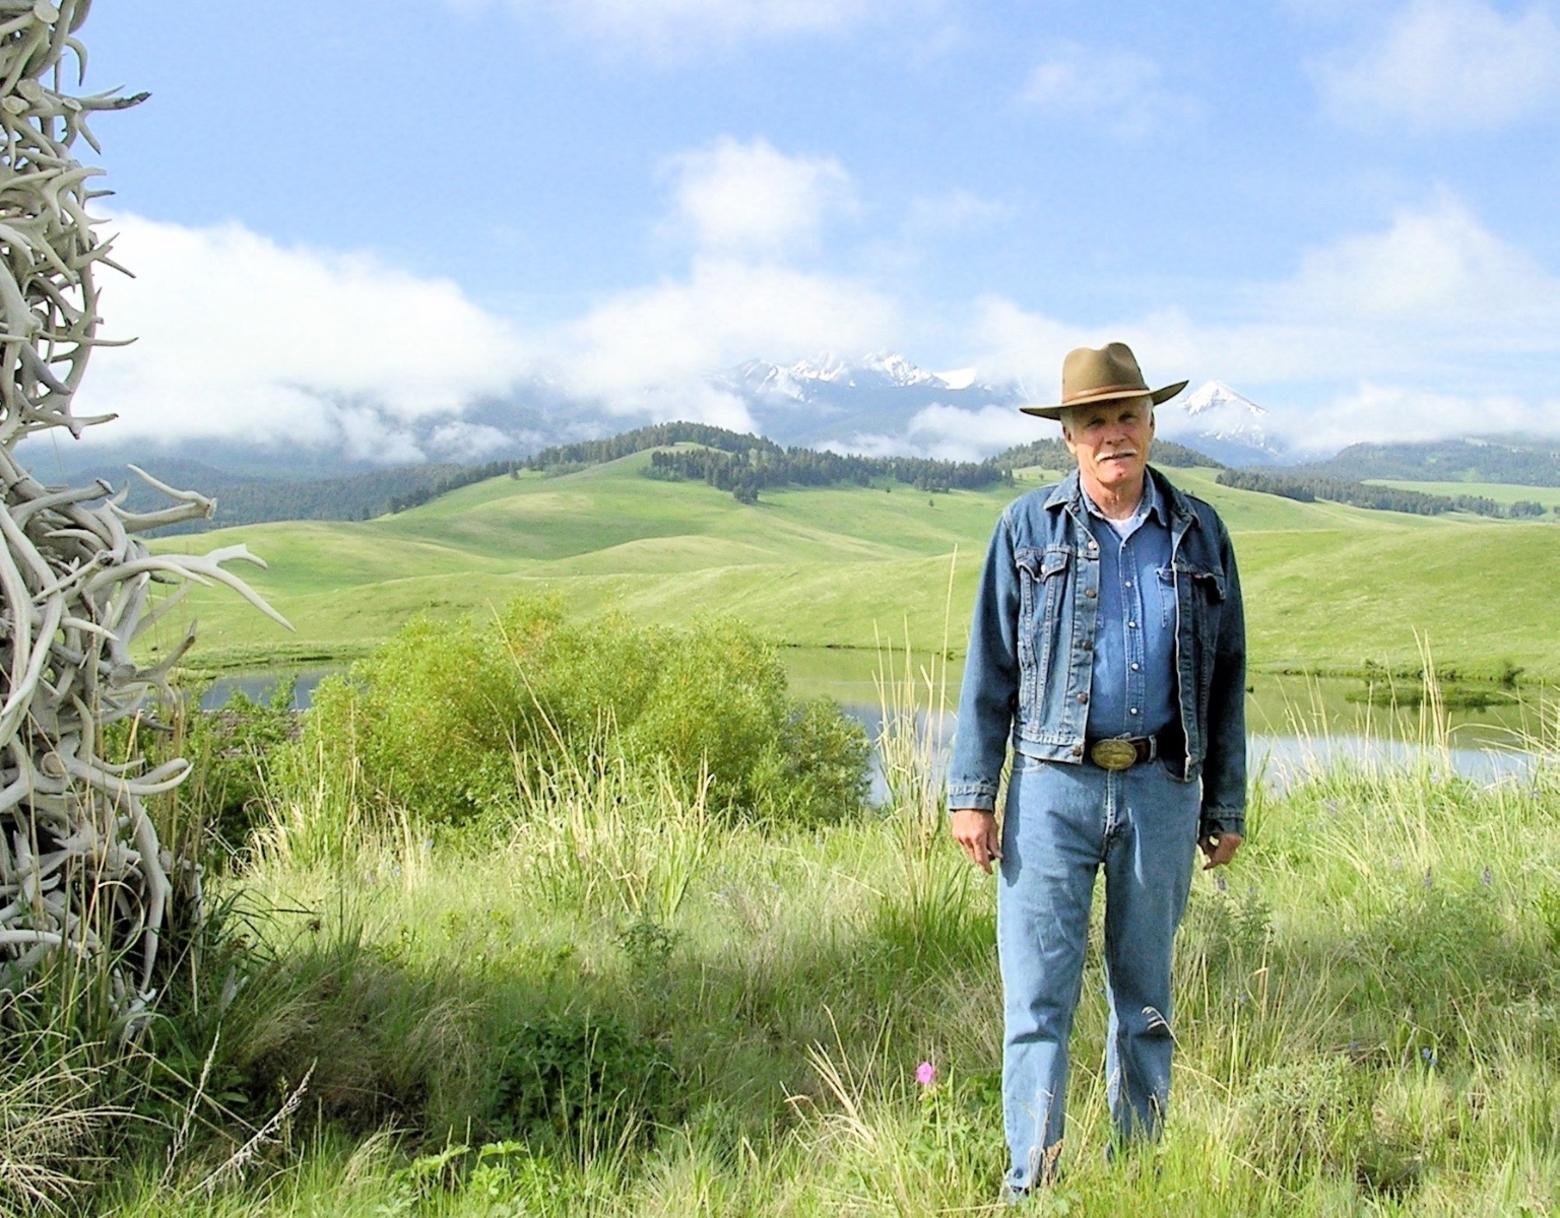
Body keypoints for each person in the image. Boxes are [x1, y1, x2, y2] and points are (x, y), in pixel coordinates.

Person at [945, 341, 1247, 1194]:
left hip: (1162, 788)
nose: (1112, 433)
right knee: (1038, 1001)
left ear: (1151, 424)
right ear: (1068, 437)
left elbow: (1227, 677)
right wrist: (974, 796)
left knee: (1144, 1002)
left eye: (1126, 415)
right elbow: (989, 669)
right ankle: (1029, 1185)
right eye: (1093, 420)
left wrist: (1224, 804)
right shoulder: (1026, 528)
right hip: (1050, 787)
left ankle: (1138, 1180)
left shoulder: (1199, 532)